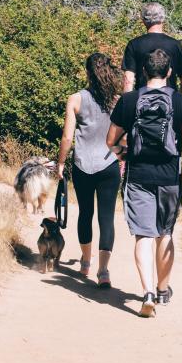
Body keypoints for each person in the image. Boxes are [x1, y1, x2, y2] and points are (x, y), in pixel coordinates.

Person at [107, 48, 182, 317]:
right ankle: (163, 290)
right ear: (170, 72)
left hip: (138, 176)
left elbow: (110, 141)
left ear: (143, 72)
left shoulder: (128, 101)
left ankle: (148, 291)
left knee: (143, 235)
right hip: (170, 177)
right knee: (165, 233)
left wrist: (122, 153)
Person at [57, 52, 123, 288]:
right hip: (109, 164)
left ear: (87, 72)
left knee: (86, 214)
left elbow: (67, 137)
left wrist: (61, 163)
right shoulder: (117, 101)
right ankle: (103, 271)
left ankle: (85, 261)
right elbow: (124, 135)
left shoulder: (75, 99)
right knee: (107, 218)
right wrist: (121, 154)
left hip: (83, 164)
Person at [122, 2, 182, 93]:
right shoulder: (175, 45)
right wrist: (181, 101)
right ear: (163, 19)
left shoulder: (134, 44)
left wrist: (128, 103)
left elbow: (128, 80)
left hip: (141, 102)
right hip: (169, 101)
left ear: (143, 20)